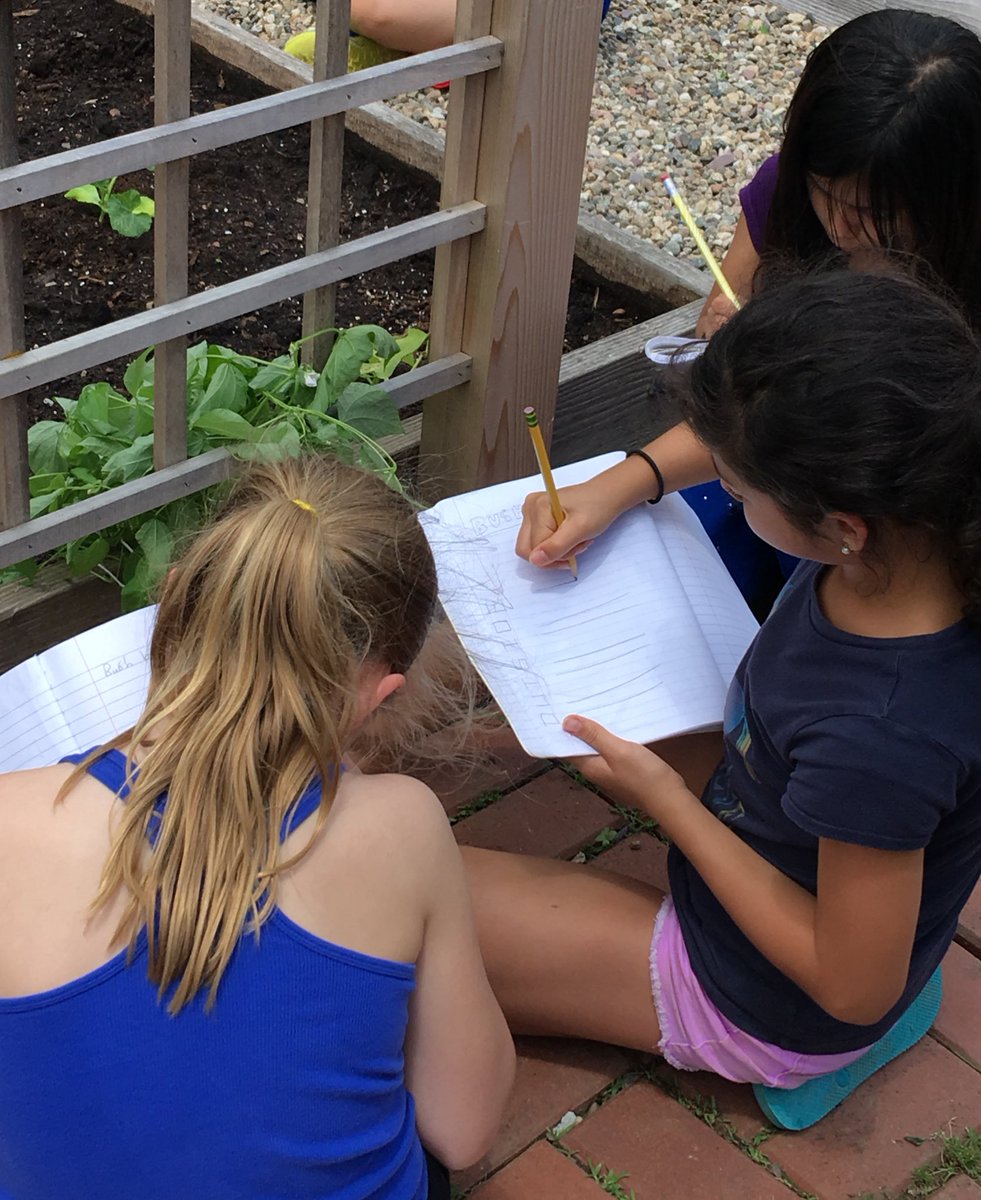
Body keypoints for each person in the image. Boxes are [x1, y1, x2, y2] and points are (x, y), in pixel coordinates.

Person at [468, 270, 981, 1131]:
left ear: (842, 526)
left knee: (400, 914)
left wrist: (662, 800)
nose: (727, 493)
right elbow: (744, 438)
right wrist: (620, 486)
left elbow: (852, 986)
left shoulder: (880, 732)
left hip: (767, 997)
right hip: (785, 811)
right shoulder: (925, 511)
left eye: (737, 495)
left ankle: (781, 1058)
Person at [0, 455, 515, 1199]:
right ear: (380, 691)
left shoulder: (12, 815)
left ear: (172, 606)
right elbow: (462, 1129)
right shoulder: (401, 825)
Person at [650, 10, 981, 611]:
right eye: (824, 191)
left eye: (877, 212)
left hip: (898, 537)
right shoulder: (793, 188)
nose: (841, 224)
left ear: (954, 194)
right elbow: (736, 325)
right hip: (782, 490)